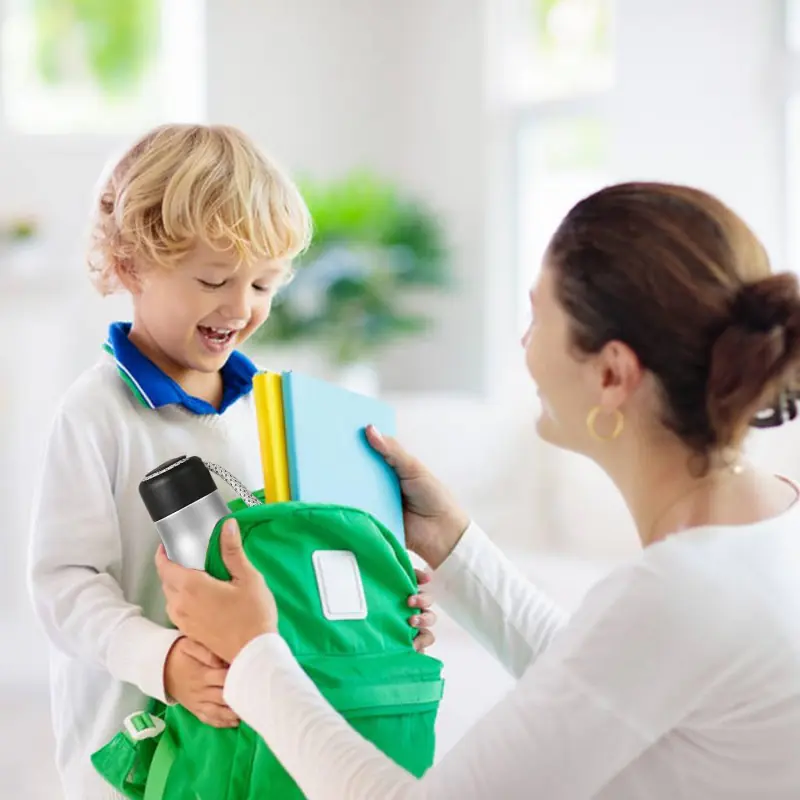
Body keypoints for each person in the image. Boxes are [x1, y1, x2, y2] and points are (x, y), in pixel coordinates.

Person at [157, 181, 800, 799]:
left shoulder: (677, 590)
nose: (525, 343)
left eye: (537, 317)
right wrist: (453, 543)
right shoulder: (768, 529)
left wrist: (255, 655)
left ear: (612, 374)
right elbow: (604, 682)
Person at [27, 124, 436, 800]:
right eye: (213, 279)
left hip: (251, 752)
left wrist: (384, 608)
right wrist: (162, 659)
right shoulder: (96, 413)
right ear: (130, 266)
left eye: (264, 284)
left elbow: (295, 568)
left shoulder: (276, 413)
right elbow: (62, 584)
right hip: (133, 759)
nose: (240, 308)